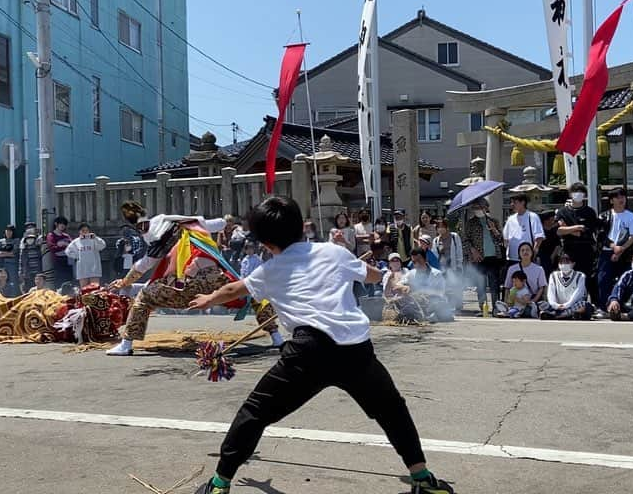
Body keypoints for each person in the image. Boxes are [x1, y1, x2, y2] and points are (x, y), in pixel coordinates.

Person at [187, 197, 455, 494]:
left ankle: (219, 484)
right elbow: (372, 275)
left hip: (307, 354)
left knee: (255, 412)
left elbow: (232, 289)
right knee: (392, 411)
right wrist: (385, 276)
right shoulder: (333, 252)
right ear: (302, 227)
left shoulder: (270, 269)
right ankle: (423, 479)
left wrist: (208, 300)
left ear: (266, 243)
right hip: (356, 351)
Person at [106, 214, 282, 356]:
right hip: (215, 279)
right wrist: (227, 223)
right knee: (252, 293)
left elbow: (141, 267)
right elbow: (220, 223)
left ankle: (126, 344)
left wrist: (124, 282)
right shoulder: (195, 225)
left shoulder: (159, 244)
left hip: (181, 285)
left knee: (144, 298)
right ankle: (277, 337)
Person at [556, 182, 601, 306]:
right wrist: (575, 228)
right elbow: (559, 230)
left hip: (586, 249)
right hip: (568, 249)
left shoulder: (590, 212)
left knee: (588, 278)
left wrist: (568, 229)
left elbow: (586, 230)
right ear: (570, 194)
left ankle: (595, 304)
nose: (578, 195)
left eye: (581, 192)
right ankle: (569, 303)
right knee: (569, 276)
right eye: (575, 192)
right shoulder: (562, 212)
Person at [596, 188, 633, 312]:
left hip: (625, 252)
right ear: (611, 200)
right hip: (607, 251)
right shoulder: (604, 216)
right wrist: (613, 246)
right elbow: (601, 235)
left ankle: (621, 304)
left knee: (624, 279)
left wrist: (621, 249)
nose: (621, 200)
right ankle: (604, 307)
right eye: (617, 197)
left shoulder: (631, 216)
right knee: (603, 279)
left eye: (623, 197)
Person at [462, 199, 505, 314]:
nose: (476, 210)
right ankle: (483, 308)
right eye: (474, 207)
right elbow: (465, 241)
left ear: (486, 207)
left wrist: (494, 229)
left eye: (478, 207)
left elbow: (501, 239)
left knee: (494, 284)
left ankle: (496, 308)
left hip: (493, 257)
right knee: (480, 284)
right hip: (478, 258)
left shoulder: (493, 221)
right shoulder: (470, 223)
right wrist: (473, 251)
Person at [395, 248, 454, 323]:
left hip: (434, 304)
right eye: (414, 262)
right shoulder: (411, 273)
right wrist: (404, 287)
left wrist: (421, 293)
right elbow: (397, 286)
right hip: (418, 306)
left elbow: (440, 293)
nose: (417, 263)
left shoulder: (437, 274)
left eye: (419, 260)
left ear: (425, 259)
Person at [497, 243, 546, 318]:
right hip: (515, 302)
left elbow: (541, 288)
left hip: (531, 300)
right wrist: (507, 301)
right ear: (519, 254)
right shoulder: (512, 269)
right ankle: (509, 310)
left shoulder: (539, 269)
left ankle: (512, 312)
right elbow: (507, 287)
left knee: (528, 311)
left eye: (527, 250)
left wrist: (533, 301)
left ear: (532, 252)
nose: (525, 252)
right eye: (522, 250)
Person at [540, 253, 593, 320]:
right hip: (557, 306)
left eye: (567, 262)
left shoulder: (580, 276)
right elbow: (550, 293)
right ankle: (567, 315)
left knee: (584, 305)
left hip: (573, 305)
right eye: (561, 262)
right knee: (541, 304)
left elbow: (578, 294)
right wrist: (555, 305)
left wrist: (567, 305)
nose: (564, 264)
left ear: (573, 264)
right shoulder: (553, 275)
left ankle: (556, 315)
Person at [502, 194, 545, 269]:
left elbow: (539, 238)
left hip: (527, 258)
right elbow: (505, 238)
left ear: (523, 202)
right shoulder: (510, 219)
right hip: (512, 258)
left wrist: (533, 254)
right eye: (511, 202)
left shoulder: (532, 217)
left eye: (515, 202)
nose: (512, 205)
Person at [432, 219, 463, 311]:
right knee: (444, 286)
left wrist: (459, 264)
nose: (440, 229)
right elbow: (435, 254)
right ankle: (447, 305)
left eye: (442, 227)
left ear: (447, 228)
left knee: (455, 285)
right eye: (438, 228)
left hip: (453, 265)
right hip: (442, 267)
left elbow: (459, 250)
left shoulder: (454, 236)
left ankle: (457, 305)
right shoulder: (436, 240)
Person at [65, 223, 107, 288]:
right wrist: (77, 256)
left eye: (86, 230)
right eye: (83, 230)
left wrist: (96, 238)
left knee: (95, 289)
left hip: (94, 268)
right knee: (84, 289)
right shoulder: (76, 241)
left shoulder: (94, 239)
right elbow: (68, 251)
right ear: (79, 231)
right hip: (82, 268)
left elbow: (103, 245)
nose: (85, 232)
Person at [114, 201, 148, 280]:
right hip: (124, 262)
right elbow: (119, 253)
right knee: (123, 278)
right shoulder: (120, 241)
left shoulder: (137, 237)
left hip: (135, 261)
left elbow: (140, 249)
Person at [47, 216, 73, 289]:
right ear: (56, 224)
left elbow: (72, 246)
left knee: (69, 281)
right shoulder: (51, 235)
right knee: (59, 281)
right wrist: (63, 246)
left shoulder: (66, 236)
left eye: (64, 224)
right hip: (58, 261)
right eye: (61, 223)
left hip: (68, 261)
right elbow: (52, 248)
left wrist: (63, 245)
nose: (63, 225)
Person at [19, 221, 44, 293]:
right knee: (28, 290)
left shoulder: (39, 239)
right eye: (28, 228)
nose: (30, 229)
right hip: (28, 272)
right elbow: (21, 259)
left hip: (38, 270)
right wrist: (20, 272)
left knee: (39, 290)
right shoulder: (23, 243)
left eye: (31, 227)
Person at [536, 210, 561, 278]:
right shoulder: (540, 232)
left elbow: (558, 245)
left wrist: (553, 256)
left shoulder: (554, 231)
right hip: (542, 258)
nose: (553, 221)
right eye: (551, 219)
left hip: (553, 257)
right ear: (546, 220)